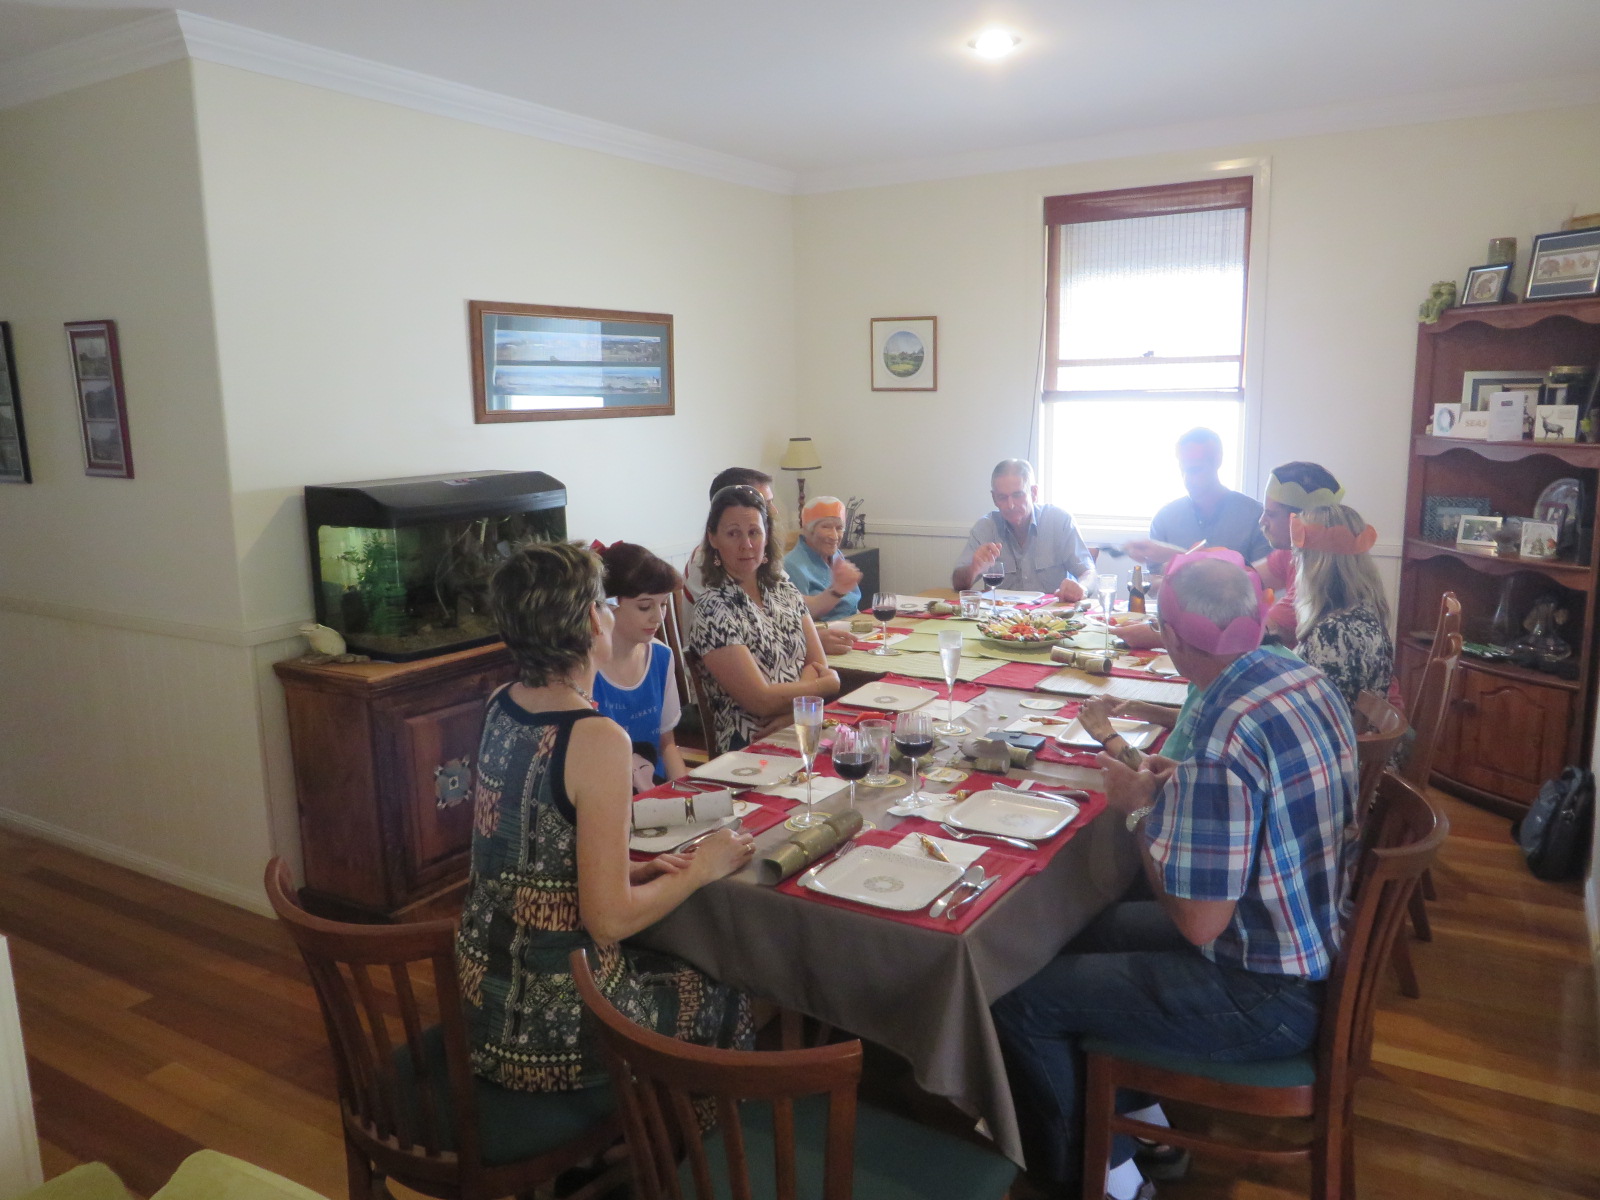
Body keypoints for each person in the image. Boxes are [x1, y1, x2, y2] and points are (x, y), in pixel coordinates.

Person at [991, 549, 1358, 1200]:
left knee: (1021, 1001)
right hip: (1305, 935)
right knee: (1077, 935)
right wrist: (1181, 781)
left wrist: (1138, 813)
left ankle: (1106, 1180)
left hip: (1264, 992)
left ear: (1174, 640)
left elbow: (1197, 922)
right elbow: (1259, 792)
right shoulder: (1298, 675)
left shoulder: (1223, 728)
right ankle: (1145, 1127)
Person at [457, 540, 754, 1096]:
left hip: (481, 994)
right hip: (555, 1018)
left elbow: (533, 848)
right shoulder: (596, 738)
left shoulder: (500, 702)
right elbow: (610, 922)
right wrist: (703, 867)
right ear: (594, 620)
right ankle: (671, 1137)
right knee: (726, 986)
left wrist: (631, 869)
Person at [1119, 460, 1344, 650]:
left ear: (1301, 521)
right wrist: (1171, 554)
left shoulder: (1320, 581)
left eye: (1271, 514)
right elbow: (1235, 578)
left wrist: (1160, 636)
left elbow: (1251, 636)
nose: (1262, 521)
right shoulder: (1291, 555)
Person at [690, 484, 841, 753]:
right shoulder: (712, 608)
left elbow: (817, 663)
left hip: (800, 726)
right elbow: (760, 701)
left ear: (766, 535)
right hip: (751, 743)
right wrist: (825, 686)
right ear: (713, 539)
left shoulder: (785, 590)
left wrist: (793, 714)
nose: (746, 544)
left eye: (754, 532)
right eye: (733, 533)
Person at [684, 467, 852, 655]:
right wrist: (807, 641)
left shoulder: (763, 561)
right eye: (765, 503)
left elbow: (792, 607)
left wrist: (837, 591)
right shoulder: (707, 561)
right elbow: (744, 632)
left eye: (754, 532)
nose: (774, 510)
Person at [593, 541, 689, 792]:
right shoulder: (586, 668)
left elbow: (666, 745)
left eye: (663, 604)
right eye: (645, 606)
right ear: (609, 604)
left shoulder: (661, 656)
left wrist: (686, 795)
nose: (658, 617)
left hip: (654, 795)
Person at [1292, 504, 1394, 710]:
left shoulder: (1334, 632)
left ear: (1316, 564)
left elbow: (1325, 714)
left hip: (1333, 730)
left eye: (1300, 555)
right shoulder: (1363, 610)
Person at [952, 459, 1096, 602]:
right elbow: (958, 584)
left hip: (1050, 613)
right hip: (1000, 614)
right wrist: (973, 568)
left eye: (1017, 495)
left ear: (1033, 493)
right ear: (994, 498)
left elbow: (1089, 573)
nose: (1011, 505)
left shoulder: (1060, 521)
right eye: (1002, 497)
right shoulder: (985, 527)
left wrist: (1082, 588)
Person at [1126, 428, 1270, 563]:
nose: (1187, 479)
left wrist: (1176, 556)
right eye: (1182, 470)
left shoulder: (1257, 517)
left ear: (1217, 461)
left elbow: (1260, 578)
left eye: (1195, 470)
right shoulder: (1164, 519)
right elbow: (1155, 578)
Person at [784, 496, 864, 623]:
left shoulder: (836, 555)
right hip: (825, 631)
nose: (834, 536)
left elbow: (852, 604)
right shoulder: (791, 565)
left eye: (839, 528)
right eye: (826, 527)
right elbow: (799, 616)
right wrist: (837, 590)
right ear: (807, 530)